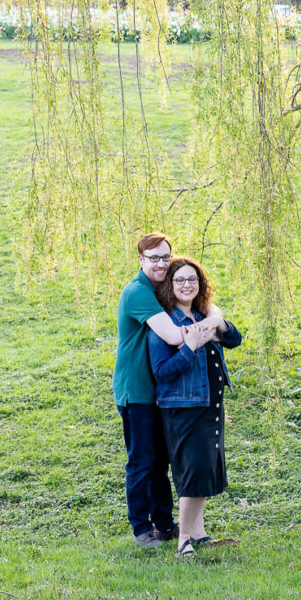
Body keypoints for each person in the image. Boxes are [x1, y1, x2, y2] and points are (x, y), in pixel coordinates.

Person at [113, 233, 221, 547]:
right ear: (140, 260)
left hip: (162, 390)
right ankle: (141, 529)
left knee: (161, 461)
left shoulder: (161, 288)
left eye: (165, 257)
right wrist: (207, 330)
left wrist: (213, 320)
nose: (161, 263)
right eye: (154, 258)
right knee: (142, 461)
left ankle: (164, 523)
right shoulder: (138, 292)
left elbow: (212, 309)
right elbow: (175, 337)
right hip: (138, 389)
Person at [148, 256, 242, 557]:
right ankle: (184, 540)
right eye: (180, 280)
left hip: (210, 404)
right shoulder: (165, 324)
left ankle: (199, 534)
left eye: (193, 279)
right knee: (192, 472)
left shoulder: (203, 315)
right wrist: (189, 348)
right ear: (170, 286)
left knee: (203, 470)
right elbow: (162, 373)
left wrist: (218, 322)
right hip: (184, 409)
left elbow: (235, 340)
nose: (187, 285)